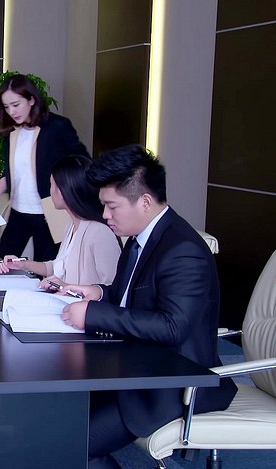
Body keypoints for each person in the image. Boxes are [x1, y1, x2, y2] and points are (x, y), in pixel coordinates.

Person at [57, 144, 237, 469]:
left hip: (169, 384)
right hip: (132, 368)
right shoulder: (141, 237)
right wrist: (98, 293)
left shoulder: (183, 250)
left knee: (69, 445)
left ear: (144, 201)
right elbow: (129, 297)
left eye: (111, 206)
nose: (105, 215)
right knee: (55, 419)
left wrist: (94, 314)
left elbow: (172, 326)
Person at [0, 74, 89, 262]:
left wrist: (67, 192)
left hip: (51, 212)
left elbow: (82, 163)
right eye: (6, 107)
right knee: (3, 262)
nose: (11, 111)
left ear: (31, 100)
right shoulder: (12, 132)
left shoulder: (57, 127)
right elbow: (12, 173)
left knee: (46, 269)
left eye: (16, 104)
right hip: (18, 210)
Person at [0, 154, 120, 286]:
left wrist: (64, 287)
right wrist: (22, 264)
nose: (50, 191)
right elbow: (57, 268)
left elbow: (111, 290)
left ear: (64, 190)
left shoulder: (100, 234)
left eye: (51, 184)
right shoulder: (71, 224)